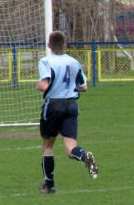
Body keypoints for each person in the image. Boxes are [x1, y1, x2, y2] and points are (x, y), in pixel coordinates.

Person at [37, 31, 98, 194]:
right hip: (71, 105)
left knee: (48, 147)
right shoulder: (73, 62)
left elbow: (44, 85)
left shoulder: (45, 61)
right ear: (65, 45)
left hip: (54, 105)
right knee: (71, 149)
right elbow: (83, 87)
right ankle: (84, 156)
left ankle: (49, 186)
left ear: (49, 45)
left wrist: (40, 85)